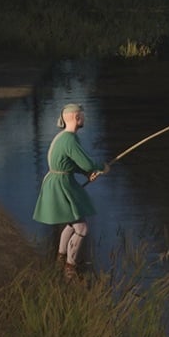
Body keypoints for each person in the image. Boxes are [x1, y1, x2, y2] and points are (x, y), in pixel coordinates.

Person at [32, 103, 109, 279]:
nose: (85, 118)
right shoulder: (69, 140)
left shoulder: (62, 137)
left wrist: (86, 174)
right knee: (81, 228)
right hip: (61, 185)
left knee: (70, 222)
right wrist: (101, 167)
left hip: (59, 181)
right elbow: (87, 162)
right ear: (76, 117)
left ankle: (60, 260)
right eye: (83, 115)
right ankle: (70, 268)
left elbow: (70, 164)